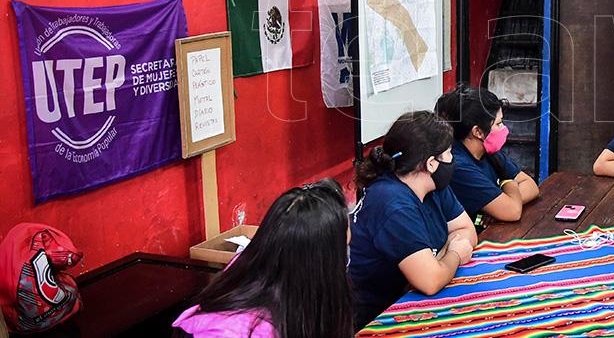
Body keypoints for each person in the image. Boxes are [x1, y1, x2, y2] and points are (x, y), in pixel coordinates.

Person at [172, 179, 354, 338]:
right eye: (342, 249)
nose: (345, 258)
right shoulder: (236, 330)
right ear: (319, 261)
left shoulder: (266, 268)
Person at [349, 111, 478, 331]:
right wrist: (455, 254)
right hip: (372, 319)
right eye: (448, 154)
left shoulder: (432, 186)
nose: (452, 160)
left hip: (411, 300)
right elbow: (430, 281)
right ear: (430, 163)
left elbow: (467, 230)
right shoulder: (392, 204)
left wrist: (437, 261)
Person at [435, 85, 539, 226]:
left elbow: (531, 186)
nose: (504, 129)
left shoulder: (489, 152)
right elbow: (513, 212)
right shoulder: (459, 166)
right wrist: (508, 184)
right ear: (477, 131)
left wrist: (504, 203)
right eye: (499, 123)